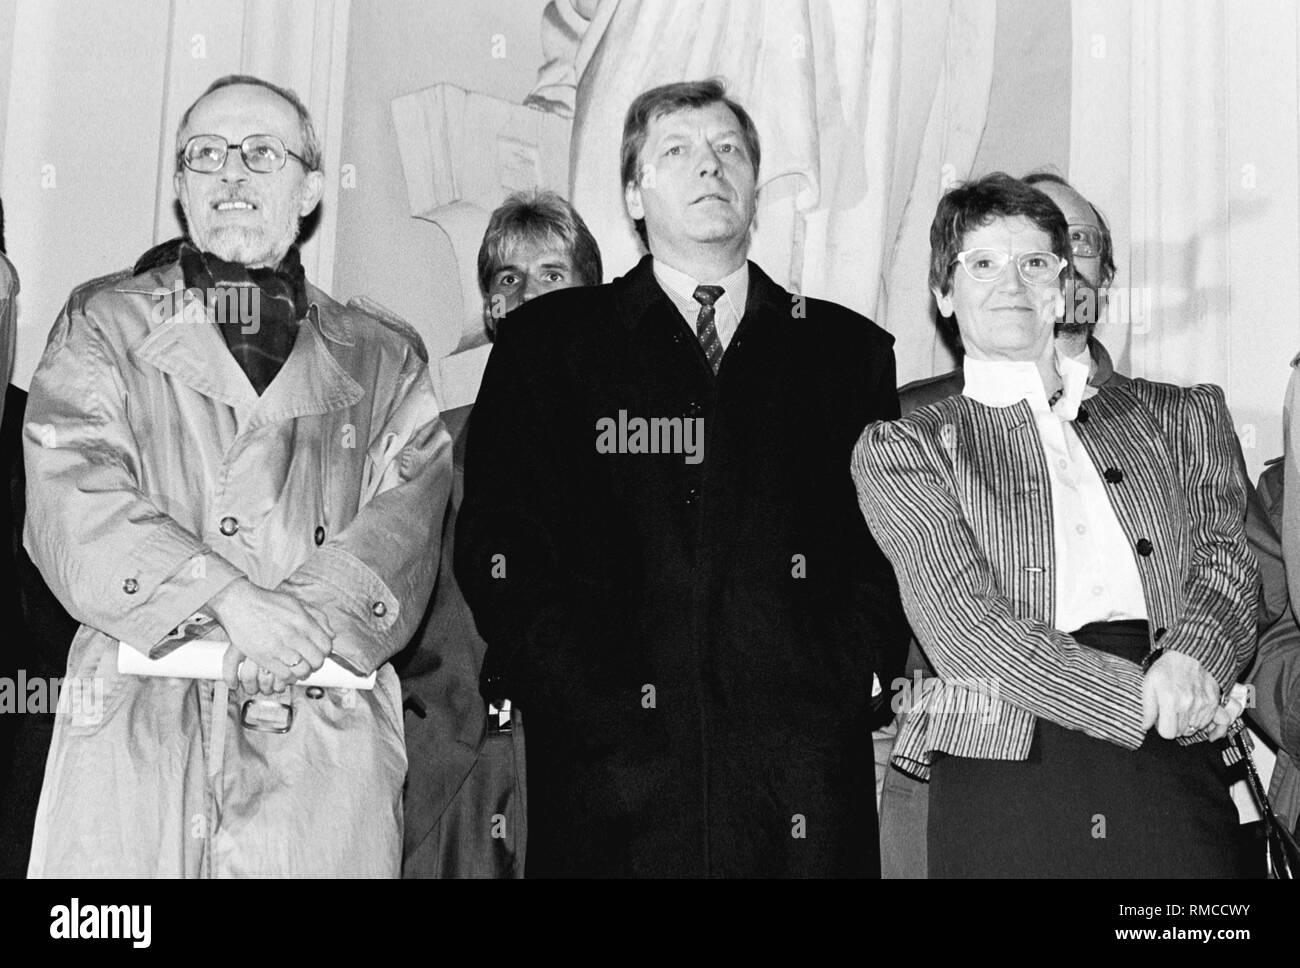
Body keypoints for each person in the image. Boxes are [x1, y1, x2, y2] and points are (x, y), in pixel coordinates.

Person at [455, 79, 909, 877]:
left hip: (795, 782)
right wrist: (580, 692)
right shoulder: (549, 347)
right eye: (678, 151)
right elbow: (502, 545)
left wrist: (839, 678)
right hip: (607, 780)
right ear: (634, 193)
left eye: (728, 150)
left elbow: (884, 548)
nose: (710, 167)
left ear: (754, 189)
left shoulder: (845, 354)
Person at [23, 74, 451, 877]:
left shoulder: (385, 356)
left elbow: (406, 522)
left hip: (322, 731)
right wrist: (228, 601)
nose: (232, 175)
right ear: (181, 186)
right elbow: (71, 494)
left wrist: (292, 629)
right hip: (136, 724)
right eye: (206, 155)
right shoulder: (102, 326)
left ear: (310, 186)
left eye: (261, 153)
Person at [852, 172, 1258, 877]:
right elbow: (966, 630)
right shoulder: (906, 446)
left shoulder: (1181, 414)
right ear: (944, 295)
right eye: (982, 263)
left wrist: (1193, 665)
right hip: (1007, 758)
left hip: (1175, 750)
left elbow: (1229, 560)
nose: (1012, 283)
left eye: (1034, 262)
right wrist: (1144, 696)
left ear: (1065, 282)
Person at [397, 188, 602, 877]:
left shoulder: (634, 450)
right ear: (491, 310)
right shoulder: (435, 446)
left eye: (553, 274)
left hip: (588, 769)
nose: (529, 294)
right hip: (456, 768)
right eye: (509, 279)